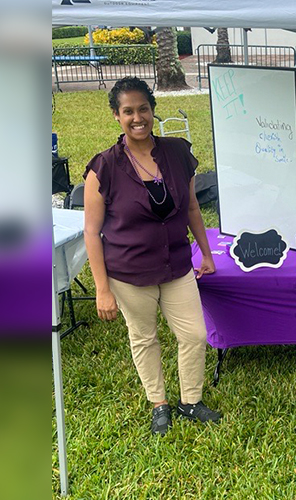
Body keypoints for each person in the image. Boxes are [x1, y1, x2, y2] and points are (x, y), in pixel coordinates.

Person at [84, 76, 220, 435]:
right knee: (144, 338)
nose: (137, 117)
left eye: (143, 108)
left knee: (193, 334)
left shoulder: (177, 153)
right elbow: (91, 232)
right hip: (128, 273)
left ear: (153, 110)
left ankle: (191, 401)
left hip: (176, 265)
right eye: (128, 111)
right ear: (117, 115)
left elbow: (191, 207)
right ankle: (159, 404)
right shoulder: (104, 167)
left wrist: (205, 254)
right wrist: (101, 289)